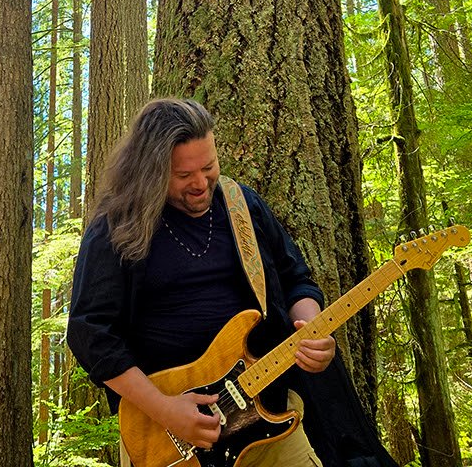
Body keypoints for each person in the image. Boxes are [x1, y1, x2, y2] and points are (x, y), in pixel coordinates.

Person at [67, 98, 396, 467]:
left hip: (270, 418)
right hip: (169, 438)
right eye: (183, 175)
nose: (200, 184)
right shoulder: (117, 227)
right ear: (150, 171)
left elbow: (295, 279)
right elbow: (90, 332)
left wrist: (312, 331)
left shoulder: (242, 206)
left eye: (209, 167)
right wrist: (165, 409)